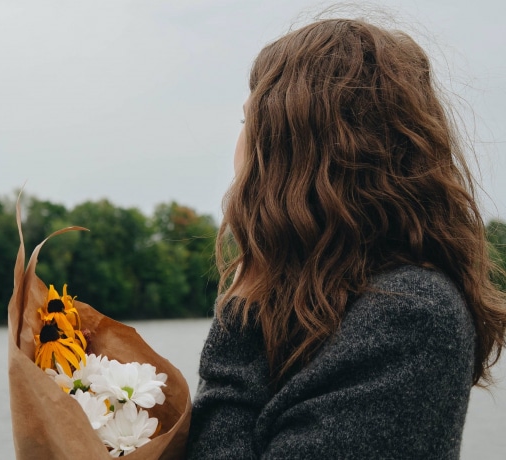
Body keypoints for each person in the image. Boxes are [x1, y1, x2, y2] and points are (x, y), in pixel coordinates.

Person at [186, 16, 506, 459]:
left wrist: (241, 308)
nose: (238, 144)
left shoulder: (408, 312)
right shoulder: (321, 304)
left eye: (248, 120)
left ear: (290, 151)